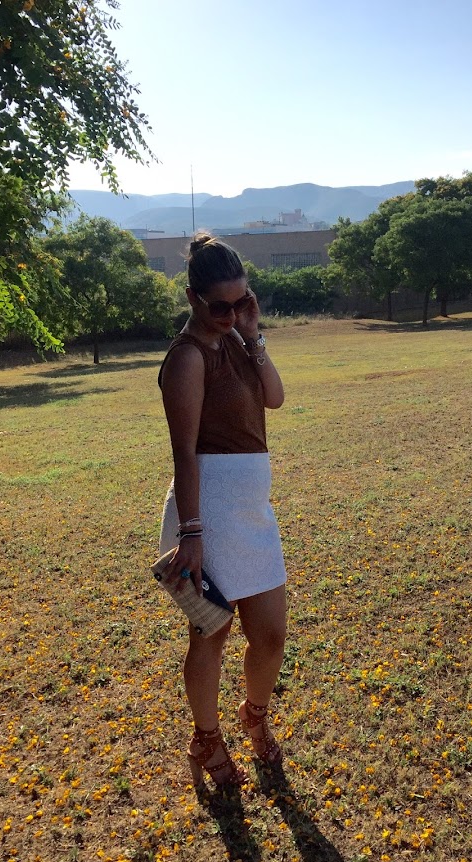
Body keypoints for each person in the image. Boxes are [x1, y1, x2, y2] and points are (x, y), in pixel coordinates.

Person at [158, 233, 287, 788]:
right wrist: (191, 533)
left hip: (251, 508)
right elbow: (183, 453)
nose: (231, 314)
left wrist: (253, 336)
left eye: (242, 301)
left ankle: (253, 714)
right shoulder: (187, 358)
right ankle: (206, 740)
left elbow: (274, 397)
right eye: (220, 306)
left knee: (272, 635)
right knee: (211, 633)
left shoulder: (236, 338)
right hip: (207, 512)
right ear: (192, 298)